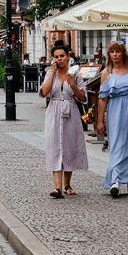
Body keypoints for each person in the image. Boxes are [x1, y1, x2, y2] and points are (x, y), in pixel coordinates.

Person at [96, 40, 128, 197]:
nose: (115, 54)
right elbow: (102, 98)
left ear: (123, 53)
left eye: (118, 51)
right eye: (112, 52)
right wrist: (100, 121)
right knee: (117, 144)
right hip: (116, 110)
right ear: (109, 55)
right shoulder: (107, 73)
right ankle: (115, 180)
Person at [40, 42, 88, 198]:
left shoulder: (75, 74)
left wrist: (72, 84)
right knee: (54, 146)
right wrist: (52, 73)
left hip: (71, 112)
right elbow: (44, 93)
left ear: (68, 57)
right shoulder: (50, 73)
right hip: (53, 112)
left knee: (69, 146)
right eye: (56, 56)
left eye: (62, 56)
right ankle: (57, 187)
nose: (59, 59)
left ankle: (67, 184)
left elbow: (83, 98)